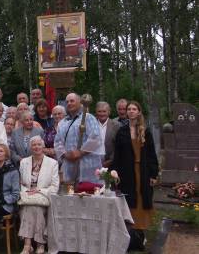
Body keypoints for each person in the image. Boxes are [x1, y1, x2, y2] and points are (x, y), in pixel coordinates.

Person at [112, 101, 158, 238]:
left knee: (140, 197)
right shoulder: (122, 132)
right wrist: (115, 172)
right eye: (129, 109)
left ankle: (140, 229)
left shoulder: (146, 131)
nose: (131, 111)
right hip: (126, 172)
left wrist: (153, 174)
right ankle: (129, 228)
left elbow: (151, 154)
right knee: (128, 197)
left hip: (142, 171)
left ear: (139, 112)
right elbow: (118, 155)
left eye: (134, 109)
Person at [18, 136, 59, 254]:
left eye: (39, 144)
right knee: (28, 206)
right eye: (34, 145)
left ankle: (33, 244)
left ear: (43, 146)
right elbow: (20, 182)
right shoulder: (24, 162)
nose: (36, 147)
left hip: (44, 197)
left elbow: (54, 186)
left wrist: (39, 191)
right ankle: (32, 245)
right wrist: (27, 192)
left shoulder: (53, 163)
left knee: (36, 208)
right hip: (27, 196)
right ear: (31, 147)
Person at [54, 93, 102, 184]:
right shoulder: (63, 122)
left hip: (87, 165)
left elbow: (95, 139)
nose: (69, 103)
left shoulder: (88, 118)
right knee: (70, 194)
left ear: (80, 103)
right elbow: (57, 142)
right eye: (67, 101)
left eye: (72, 101)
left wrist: (80, 152)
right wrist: (66, 154)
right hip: (69, 165)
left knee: (88, 193)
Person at [95, 101, 120, 168]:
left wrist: (111, 160)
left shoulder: (116, 125)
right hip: (93, 162)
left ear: (109, 112)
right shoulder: (91, 125)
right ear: (96, 112)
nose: (102, 114)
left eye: (104, 111)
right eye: (99, 111)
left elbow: (118, 145)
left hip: (111, 163)